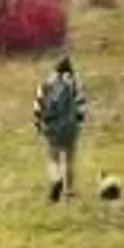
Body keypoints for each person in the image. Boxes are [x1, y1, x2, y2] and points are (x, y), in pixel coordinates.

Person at [34, 55, 87, 203]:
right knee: (70, 159)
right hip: (70, 127)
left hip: (52, 127)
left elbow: (38, 106)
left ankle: (56, 180)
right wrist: (79, 125)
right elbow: (81, 106)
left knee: (53, 158)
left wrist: (38, 125)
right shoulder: (73, 84)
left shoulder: (46, 84)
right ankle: (69, 191)